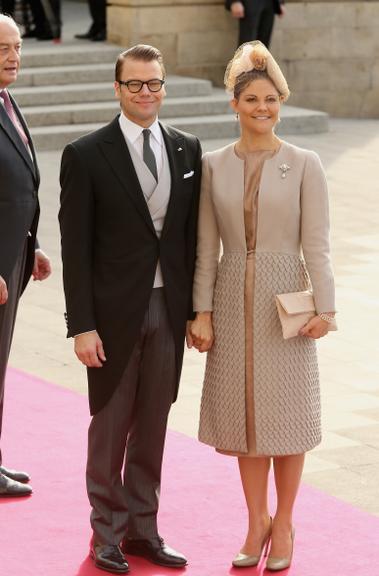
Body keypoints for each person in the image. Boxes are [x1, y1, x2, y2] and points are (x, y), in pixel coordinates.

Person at [190, 41, 336, 571]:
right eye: (252, 99)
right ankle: (257, 521)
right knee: (244, 420)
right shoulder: (212, 165)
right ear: (234, 104)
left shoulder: (304, 163)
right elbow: (206, 246)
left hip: (287, 301)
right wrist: (201, 311)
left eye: (271, 99)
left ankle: (288, 520)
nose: (262, 108)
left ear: (281, 102)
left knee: (287, 418)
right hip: (231, 296)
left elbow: (317, 243)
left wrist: (328, 307)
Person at [59, 44, 201, 574]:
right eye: (136, 84)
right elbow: (75, 250)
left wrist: (196, 311)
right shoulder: (86, 153)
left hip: (169, 309)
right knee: (111, 426)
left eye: (155, 83)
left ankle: (145, 529)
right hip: (113, 316)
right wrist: (83, 326)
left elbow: (190, 237)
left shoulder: (188, 149)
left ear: (164, 86)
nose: (147, 93)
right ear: (117, 88)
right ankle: (107, 533)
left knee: (153, 423)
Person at [0, 13, 51, 497]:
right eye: (2, 49)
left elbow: (18, 186)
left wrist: (31, 243)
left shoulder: (6, 99)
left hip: (12, 255)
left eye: (17, 47)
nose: (13, 56)